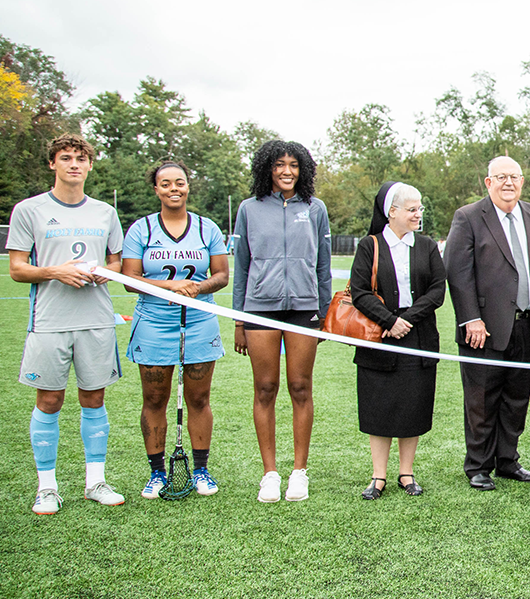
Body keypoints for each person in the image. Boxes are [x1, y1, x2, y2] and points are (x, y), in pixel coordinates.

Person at [8, 133, 125, 514]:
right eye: (66, 158)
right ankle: (47, 487)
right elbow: (17, 269)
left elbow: (116, 263)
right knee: (50, 400)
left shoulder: (105, 212)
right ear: (52, 164)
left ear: (90, 165)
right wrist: (55, 272)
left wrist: (105, 273)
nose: (74, 164)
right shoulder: (29, 210)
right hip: (50, 321)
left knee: (94, 397)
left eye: (80, 158)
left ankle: (95, 482)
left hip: (96, 319)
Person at [120, 160, 230, 500]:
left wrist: (196, 288)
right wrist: (170, 286)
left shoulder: (206, 227)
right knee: (155, 398)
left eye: (179, 182)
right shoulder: (142, 229)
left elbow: (221, 276)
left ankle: (200, 469)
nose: (173, 189)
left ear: (187, 186)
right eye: (165, 183)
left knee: (199, 398)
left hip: (198, 323)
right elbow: (129, 280)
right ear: (156, 189)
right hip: (154, 323)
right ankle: (156, 472)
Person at [231, 140, 332, 503]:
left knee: (301, 387)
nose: (287, 171)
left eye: (293, 165)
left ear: (302, 169)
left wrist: (323, 314)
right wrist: (240, 321)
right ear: (267, 169)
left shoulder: (315, 208)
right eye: (279, 165)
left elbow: (322, 265)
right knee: (265, 388)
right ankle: (270, 474)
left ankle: (299, 473)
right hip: (260, 308)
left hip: (304, 310)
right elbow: (240, 265)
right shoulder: (249, 209)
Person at [444, 156, 530, 491]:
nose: (509, 183)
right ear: (488, 182)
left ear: (522, 181)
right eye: (501, 177)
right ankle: (478, 465)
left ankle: (508, 461)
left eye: (514, 177)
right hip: (484, 328)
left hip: (526, 323)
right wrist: (470, 319)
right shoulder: (468, 217)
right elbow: (457, 272)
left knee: (517, 397)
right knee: (482, 399)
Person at [350, 182, 446, 499]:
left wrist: (407, 320)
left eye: (420, 208)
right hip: (380, 335)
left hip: (418, 336)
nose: (419, 214)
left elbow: (437, 291)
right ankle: (378, 477)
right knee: (379, 407)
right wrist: (390, 320)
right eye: (412, 209)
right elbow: (360, 291)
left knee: (412, 406)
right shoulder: (370, 245)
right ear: (392, 213)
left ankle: (407, 473)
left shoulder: (428, 246)